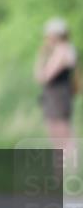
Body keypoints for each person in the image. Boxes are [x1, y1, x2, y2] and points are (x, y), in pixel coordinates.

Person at [34, 17, 78, 174]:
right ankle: (63, 172)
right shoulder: (64, 49)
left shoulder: (62, 50)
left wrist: (42, 57)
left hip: (58, 96)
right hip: (56, 96)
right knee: (57, 135)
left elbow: (45, 76)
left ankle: (67, 172)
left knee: (62, 135)